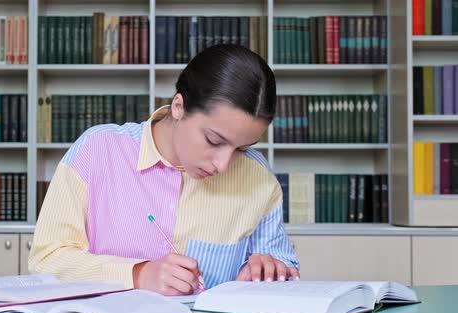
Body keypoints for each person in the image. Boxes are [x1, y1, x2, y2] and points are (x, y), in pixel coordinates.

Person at [29, 44, 300, 296]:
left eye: (241, 148)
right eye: (214, 141)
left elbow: (282, 267)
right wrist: (137, 275)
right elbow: (46, 260)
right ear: (179, 107)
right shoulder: (98, 150)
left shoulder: (257, 177)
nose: (223, 165)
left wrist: (269, 272)